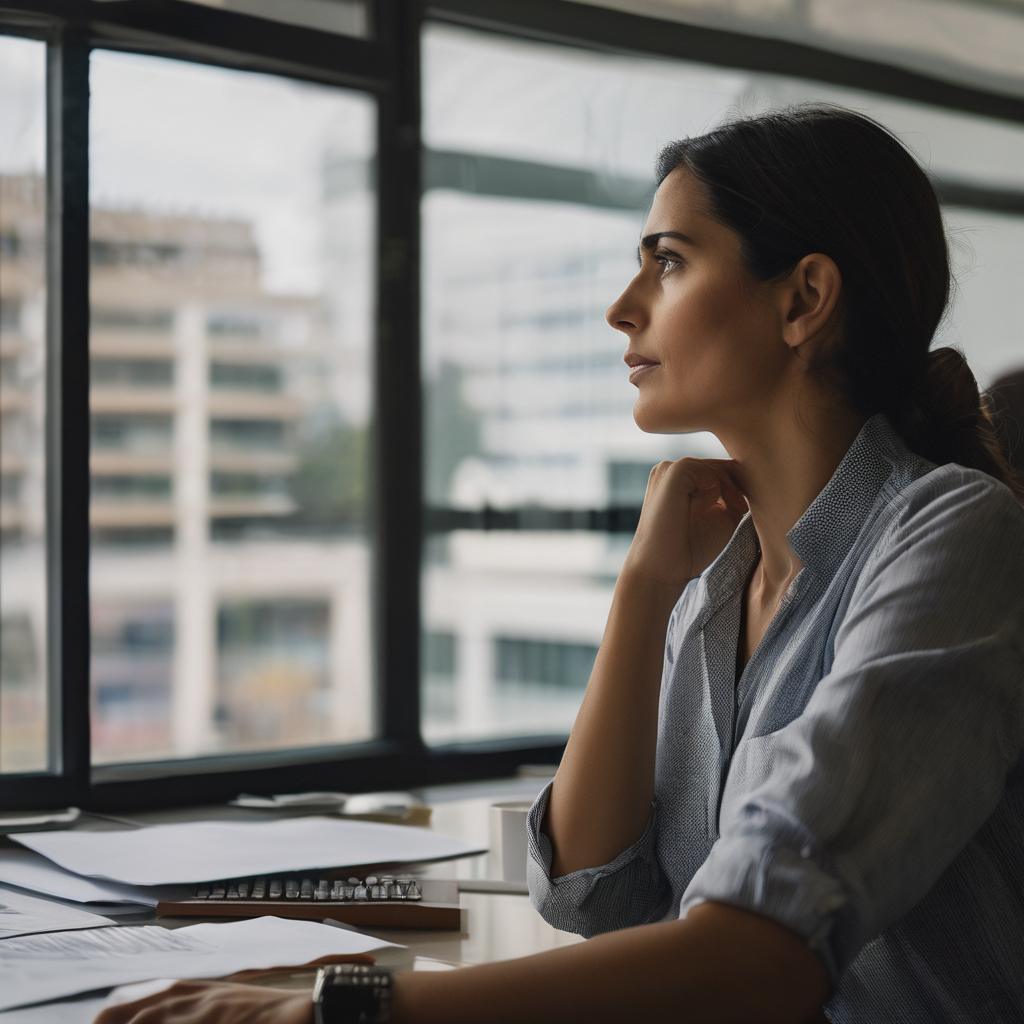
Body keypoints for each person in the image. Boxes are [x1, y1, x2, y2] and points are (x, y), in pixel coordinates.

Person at [95, 106, 1024, 1024]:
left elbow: (758, 959)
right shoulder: (719, 582)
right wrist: (645, 590)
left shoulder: (949, 535)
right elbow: (591, 893)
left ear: (803, 300)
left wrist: (340, 1011)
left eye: (668, 261)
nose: (622, 307)